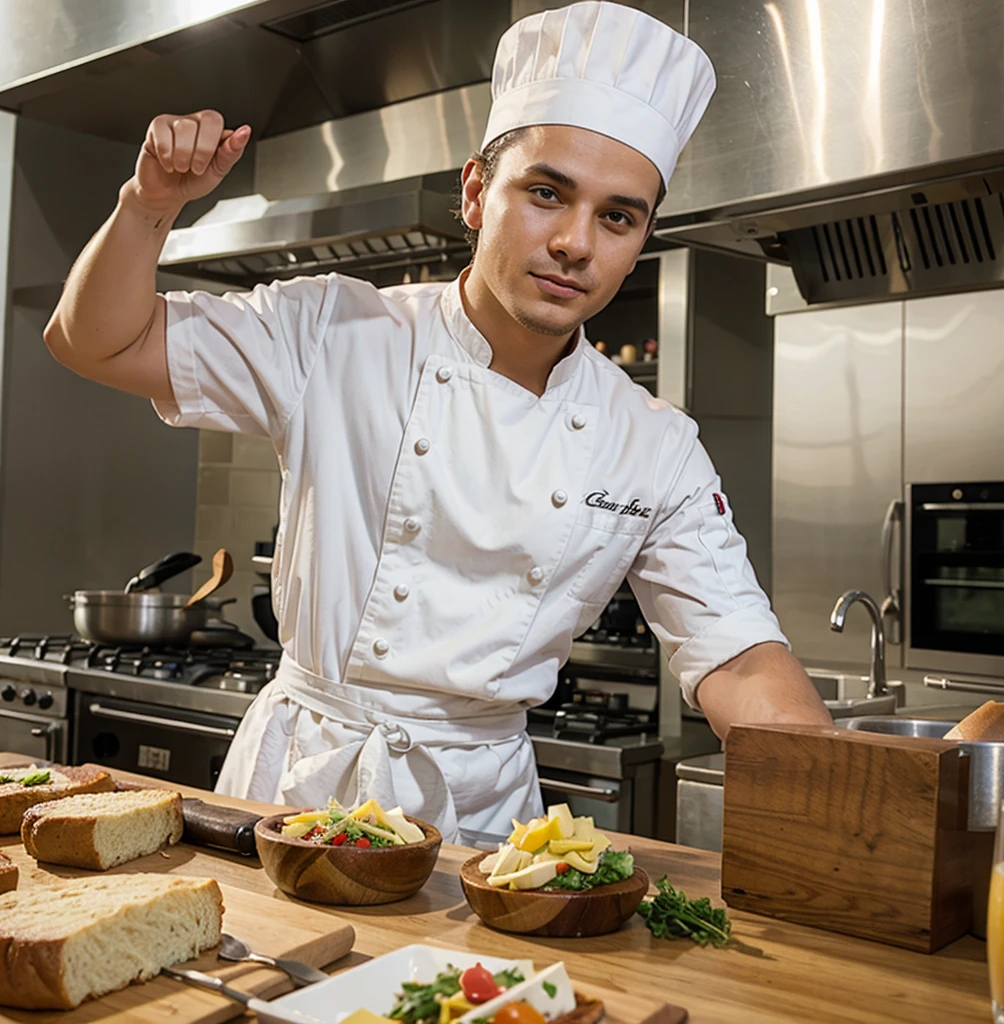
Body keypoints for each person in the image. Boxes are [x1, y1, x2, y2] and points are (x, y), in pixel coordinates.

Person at [43, 1, 831, 841]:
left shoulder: (656, 445)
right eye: (545, 193)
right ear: (476, 193)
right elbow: (96, 341)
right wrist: (147, 204)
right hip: (301, 798)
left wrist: (848, 789)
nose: (574, 241)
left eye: (617, 215)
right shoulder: (336, 332)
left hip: (483, 830)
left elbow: (739, 655)